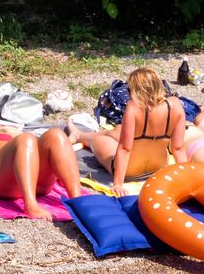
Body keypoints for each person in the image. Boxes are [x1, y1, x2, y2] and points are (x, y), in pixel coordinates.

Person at [66, 67, 188, 196]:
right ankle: (79, 134)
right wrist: (187, 178)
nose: (128, 94)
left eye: (129, 90)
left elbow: (125, 149)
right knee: (118, 131)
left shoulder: (133, 107)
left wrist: (118, 183)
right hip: (157, 168)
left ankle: (79, 135)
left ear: (135, 90)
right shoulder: (175, 104)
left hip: (130, 172)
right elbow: (178, 148)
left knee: (99, 140)